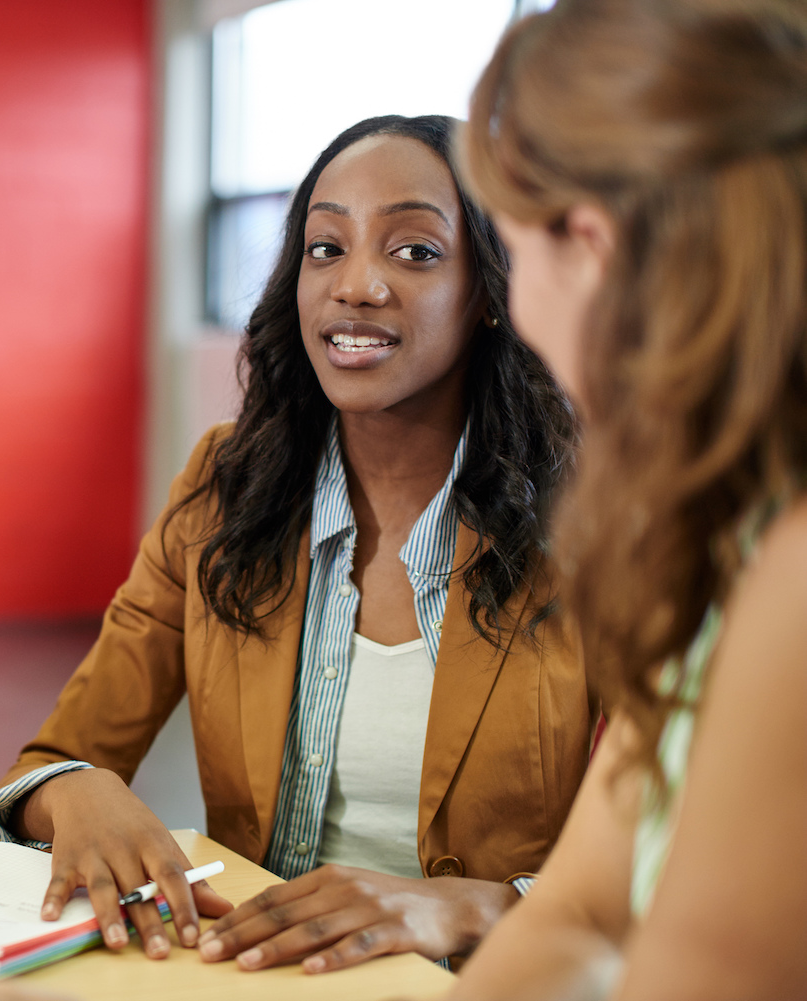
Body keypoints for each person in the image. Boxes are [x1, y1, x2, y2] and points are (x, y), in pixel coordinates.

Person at [0, 115, 592, 974]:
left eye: (414, 251)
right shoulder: (223, 488)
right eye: (326, 247)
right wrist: (76, 791)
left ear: (488, 291)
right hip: (256, 979)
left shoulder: (602, 523)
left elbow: (684, 856)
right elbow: (52, 761)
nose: (357, 285)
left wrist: (473, 906)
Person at [443, 0, 807, 998]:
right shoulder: (729, 526)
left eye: (517, 256)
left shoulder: (795, 574)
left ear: (593, 246)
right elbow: (584, 907)